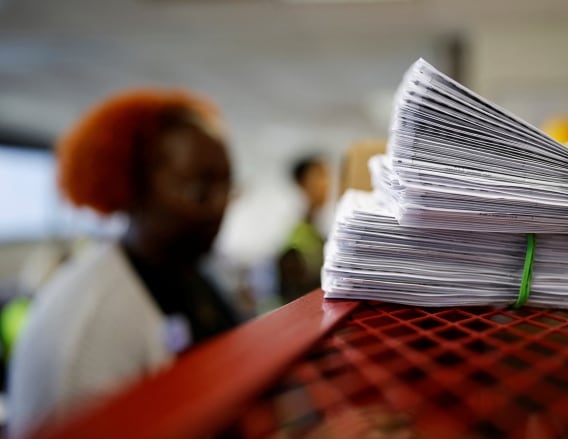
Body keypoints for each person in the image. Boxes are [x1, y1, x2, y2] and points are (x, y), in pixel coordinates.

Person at [7, 89, 241, 438]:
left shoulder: (190, 274)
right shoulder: (94, 323)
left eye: (228, 187)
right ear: (132, 188)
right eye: (198, 189)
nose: (219, 206)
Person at [277, 155, 330, 304]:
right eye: (318, 176)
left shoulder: (319, 232)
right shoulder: (295, 237)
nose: (325, 184)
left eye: (327, 176)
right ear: (301, 183)